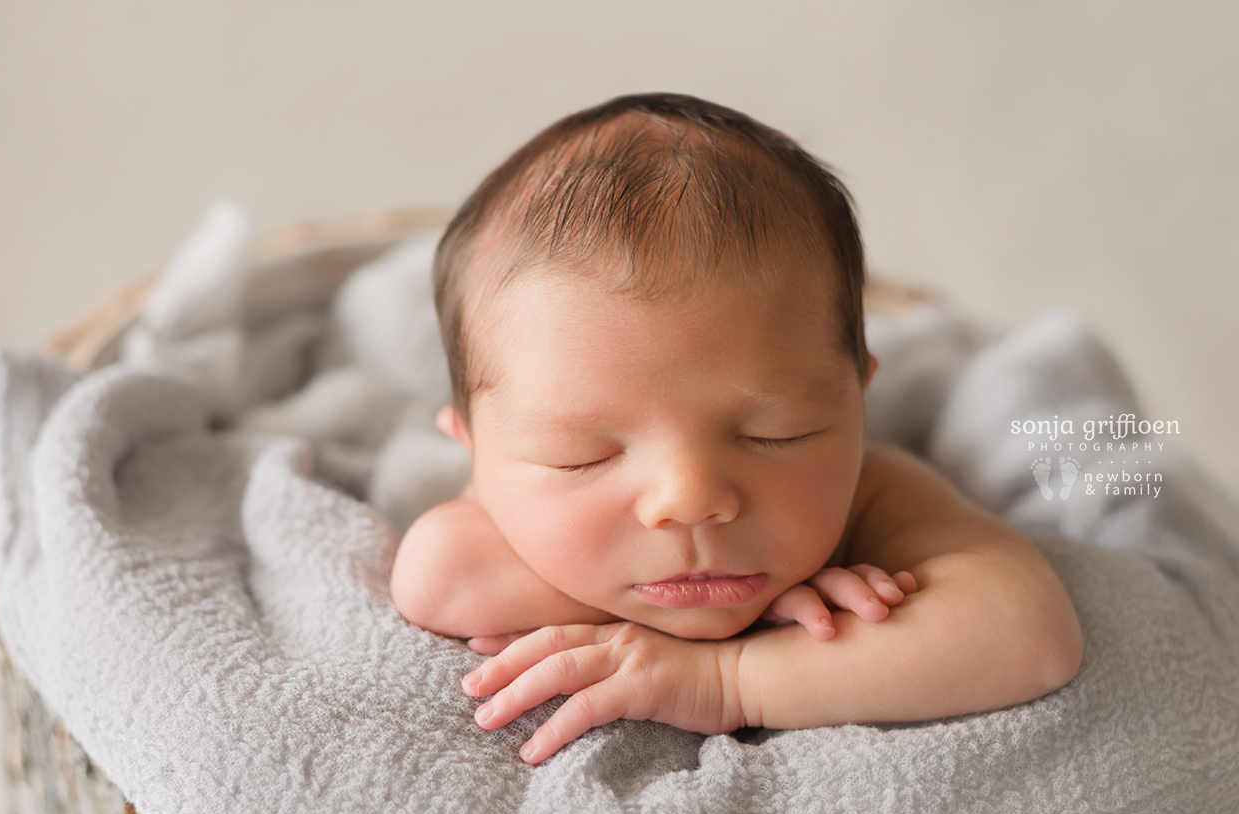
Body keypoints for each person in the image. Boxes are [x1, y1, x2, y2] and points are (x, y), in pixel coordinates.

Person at [389, 93, 1082, 765]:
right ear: (473, 450)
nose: (690, 498)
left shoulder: (878, 494)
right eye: (581, 457)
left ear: (856, 404)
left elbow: (1029, 633)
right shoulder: (489, 524)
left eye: (777, 434)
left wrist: (728, 678)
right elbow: (438, 575)